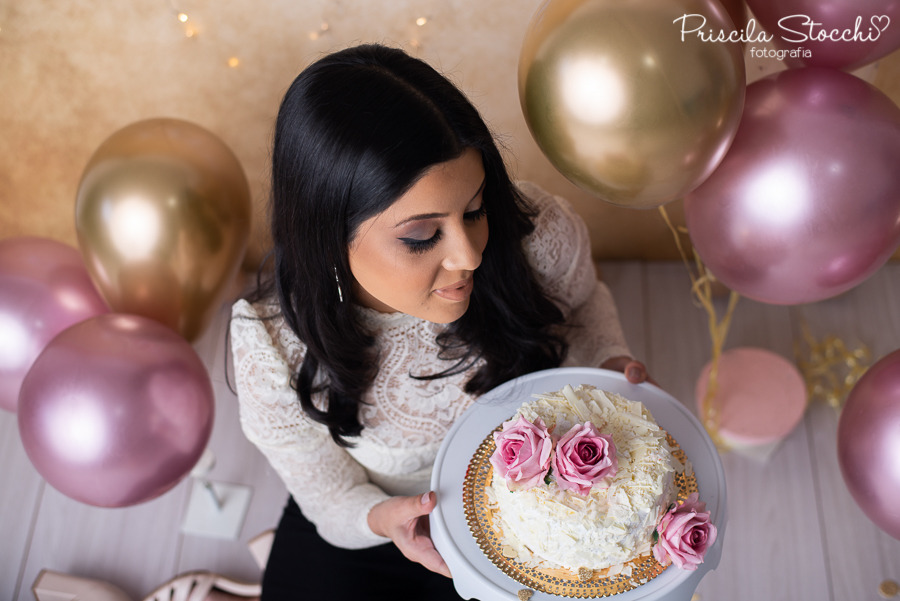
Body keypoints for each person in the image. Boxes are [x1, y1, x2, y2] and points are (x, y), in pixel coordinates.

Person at [230, 43, 651, 600]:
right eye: (422, 237)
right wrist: (387, 520)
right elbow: (330, 499)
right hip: (389, 526)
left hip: (542, 508)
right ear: (328, 237)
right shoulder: (272, 347)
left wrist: (606, 361)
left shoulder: (535, 237)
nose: (470, 255)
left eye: (474, 210)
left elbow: (585, 308)